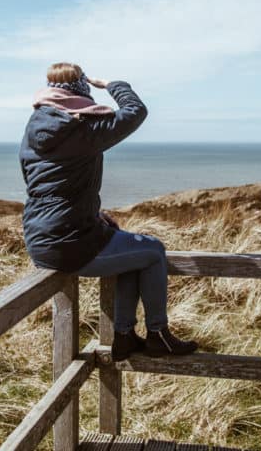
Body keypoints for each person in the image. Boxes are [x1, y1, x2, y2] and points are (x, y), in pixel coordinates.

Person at [18, 62, 198, 361]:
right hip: (70, 243)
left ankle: (124, 337)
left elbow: (48, 186)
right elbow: (135, 111)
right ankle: (158, 335)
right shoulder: (82, 129)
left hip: (40, 240)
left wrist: (92, 214)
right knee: (153, 250)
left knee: (127, 252)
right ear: (81, 90)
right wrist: (113, 84)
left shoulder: (34, 127)